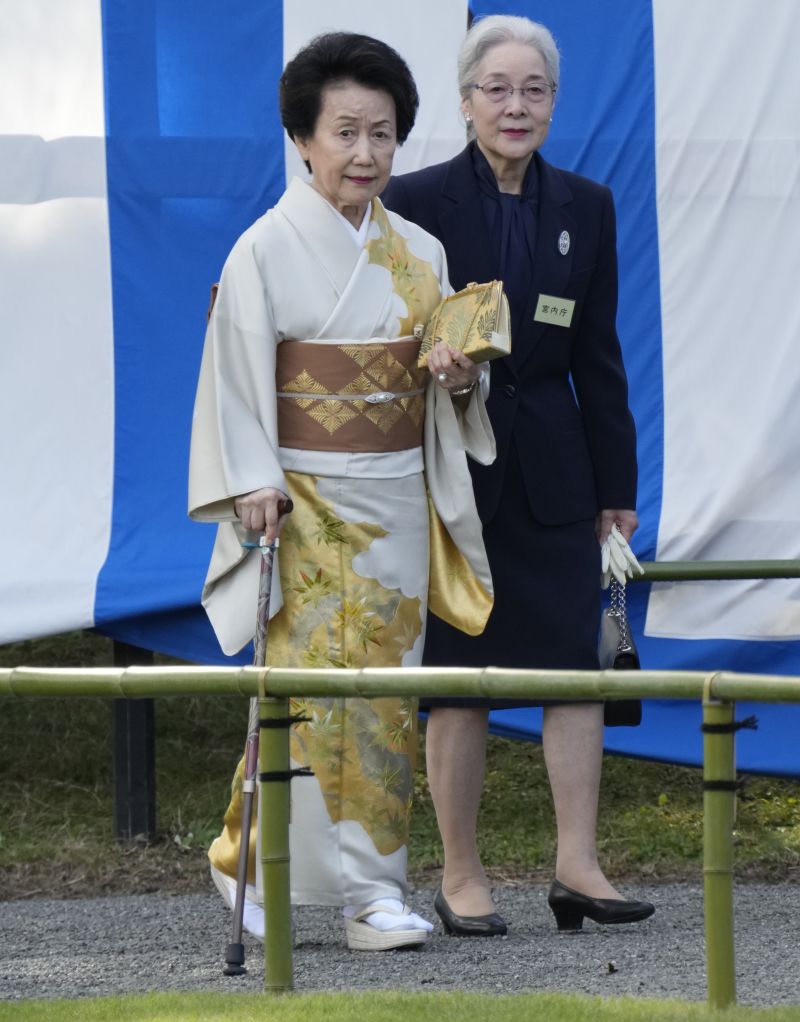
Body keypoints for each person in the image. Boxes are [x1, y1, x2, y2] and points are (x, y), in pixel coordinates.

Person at [188, 32, 493, 952]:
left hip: (397, 494)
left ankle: (373, 891)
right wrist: (252, 479)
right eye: (346, 132)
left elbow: (450, 379)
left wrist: (459, 378)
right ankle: (253, 859)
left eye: (383, 133)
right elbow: (234, 378)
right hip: (303, 498)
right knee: (310, 691)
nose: (366, 153)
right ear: (303, 139)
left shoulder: (421, 252)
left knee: (387, 695)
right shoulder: (263, 249)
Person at [382, 14, 654, 935]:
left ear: (553, 103)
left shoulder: (588, 204)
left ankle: (578, 867)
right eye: (496, 88)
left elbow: (600, 358)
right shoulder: (413, 201)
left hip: (557, 471)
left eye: (533, 89)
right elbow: (390, 341)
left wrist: (617, 490)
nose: (515, 105)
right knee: (458, 676)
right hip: (451, 471)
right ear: (465, 102)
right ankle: (461, 876)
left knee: (572, 671)